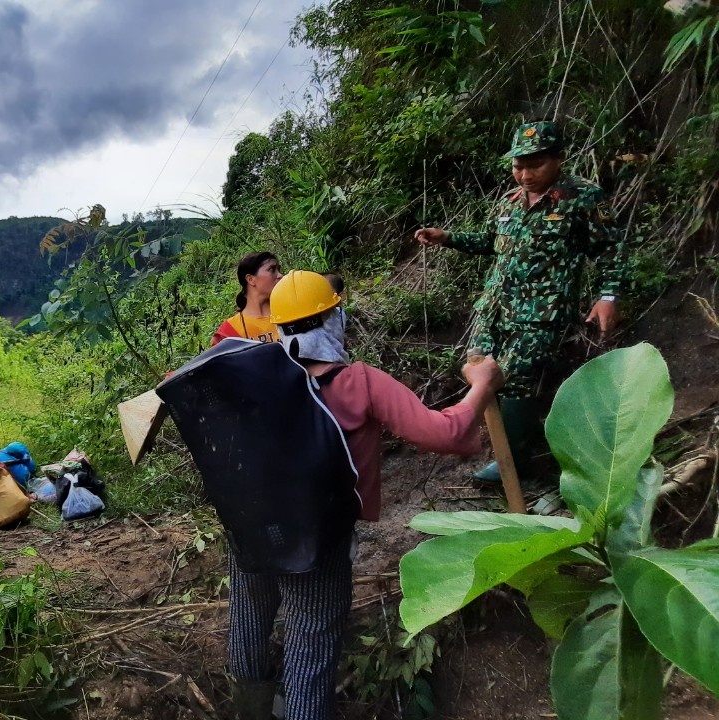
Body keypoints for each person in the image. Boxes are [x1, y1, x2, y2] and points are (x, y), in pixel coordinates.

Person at [167, 271, 503, 719]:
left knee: (250, 617)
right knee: (311, 642)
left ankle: (251, 709)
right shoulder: (358, 382)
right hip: (316, 537)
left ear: (279, 326)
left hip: (250, 523)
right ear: (333, 318)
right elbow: (446, 432)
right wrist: (482, 383)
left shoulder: (256, 377)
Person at [414, 120, 628, 482]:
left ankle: (514, 464)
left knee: (516, 382)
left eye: (535, 165)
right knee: (480, 370)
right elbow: (489, 242)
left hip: (542, 314)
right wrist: (447, 237)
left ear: (558, 159)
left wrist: (608, 296)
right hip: (495, 309)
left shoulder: (583, 197)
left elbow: (610, 249)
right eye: (518, 166)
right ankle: (509, 448)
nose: (525, 175)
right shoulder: (510, 201)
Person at [211, 252, 283, 345]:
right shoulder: (229, 331)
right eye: (272, 270)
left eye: (279, 269)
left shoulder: (291, 315)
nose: (280, 275)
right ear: (250, 279)